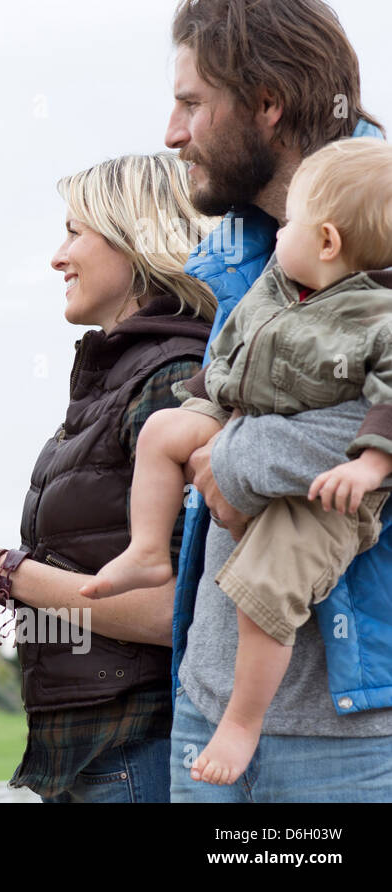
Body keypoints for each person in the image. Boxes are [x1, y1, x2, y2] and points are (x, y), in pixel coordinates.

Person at [83, 138, 392, 785]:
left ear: (328, 242)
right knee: (160, 431)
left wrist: (368, 464)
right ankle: (145, 549)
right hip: (238, 415)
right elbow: (233, 351)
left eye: (293, 224)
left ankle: (244, 720)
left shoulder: (379, 316)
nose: (279, 235)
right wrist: (207, 406)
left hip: (328, 502)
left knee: (265, 589)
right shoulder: (281, 287)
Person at [163, 0, 392, 801]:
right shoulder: (233, 251)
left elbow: (237, 449)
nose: (171, 132)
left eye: (192, 104)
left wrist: (237, 455)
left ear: (264, 103)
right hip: (208, 702)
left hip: (352, 730)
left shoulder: (382, 213)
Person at [0, 153, 215, 802]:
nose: (57, 258)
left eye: (74, 232)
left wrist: (6, 573)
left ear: (134, 237)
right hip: (97, 758)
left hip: (138, 756)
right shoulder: (121, 378)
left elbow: (182, 610)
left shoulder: (169, 382)